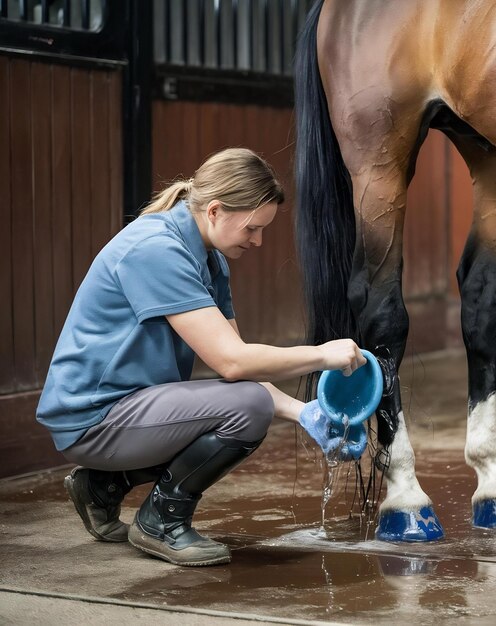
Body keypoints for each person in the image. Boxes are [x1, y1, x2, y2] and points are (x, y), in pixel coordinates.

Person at [36, 148, 367, 567]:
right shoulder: (156, 249)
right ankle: (160, 522)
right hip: (94, 418)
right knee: (246, 409)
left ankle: (104, 486)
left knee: (247, 402)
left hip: (132, 408)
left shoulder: (210, 258)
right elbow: (234, 363)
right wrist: (321, 355)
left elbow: (236, 365)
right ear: (214, 211)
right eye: (252, 228)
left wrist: (305, 413)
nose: (258, 240)